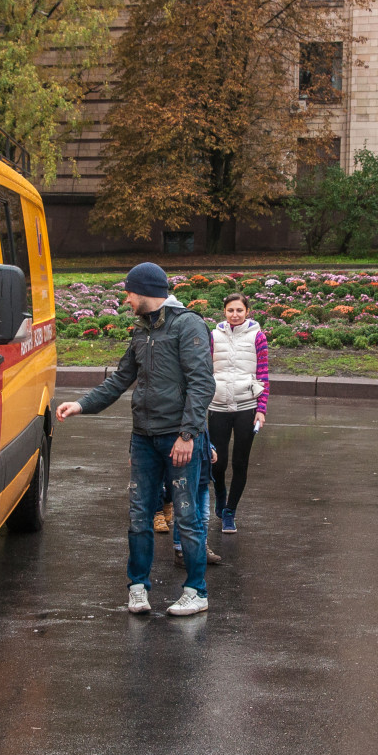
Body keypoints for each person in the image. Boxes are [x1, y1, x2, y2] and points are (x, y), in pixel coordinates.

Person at [57, 262, 216, 616]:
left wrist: (188, 434)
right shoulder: (142, 330)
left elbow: (202, 384)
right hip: (144, 438)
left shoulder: (187, 325)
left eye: (129, 291)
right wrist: (82, 405)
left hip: (179, 440)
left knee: (187, 517)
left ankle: (196, 590)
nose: (126, 298)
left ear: (145, 291)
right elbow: (119, 380)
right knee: (139, 516)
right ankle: (138, 587)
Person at [208, 292, 269, 534]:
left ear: (247, 312)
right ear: (224, 312)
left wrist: (261, 410)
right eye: (231, 310)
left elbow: (263, 374)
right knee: (217, 462)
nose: (235, 315)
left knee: (240, 462)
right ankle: (220, 495)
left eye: (239, 310)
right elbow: (204, 369)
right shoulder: (214, 336)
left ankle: (230, 512)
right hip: (217, 406)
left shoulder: (258, 337)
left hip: (246, 407)